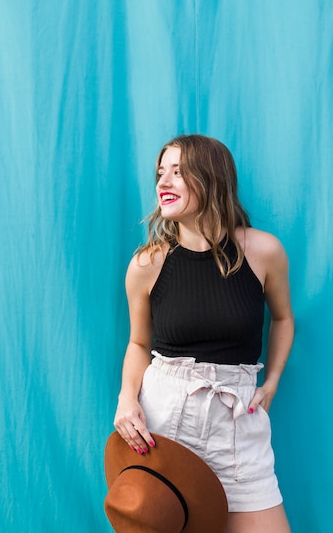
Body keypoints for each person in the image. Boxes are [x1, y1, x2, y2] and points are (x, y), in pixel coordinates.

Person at [113, 134, 294, 533]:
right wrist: (127, 399)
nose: (164, 182)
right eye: (161, 173)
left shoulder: (264, 252)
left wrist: (273, 381)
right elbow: (139, 343)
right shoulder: (147, 264)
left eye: (178, 172)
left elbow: (283, 319)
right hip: (166, 419)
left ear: (212, 178)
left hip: (237, 417)